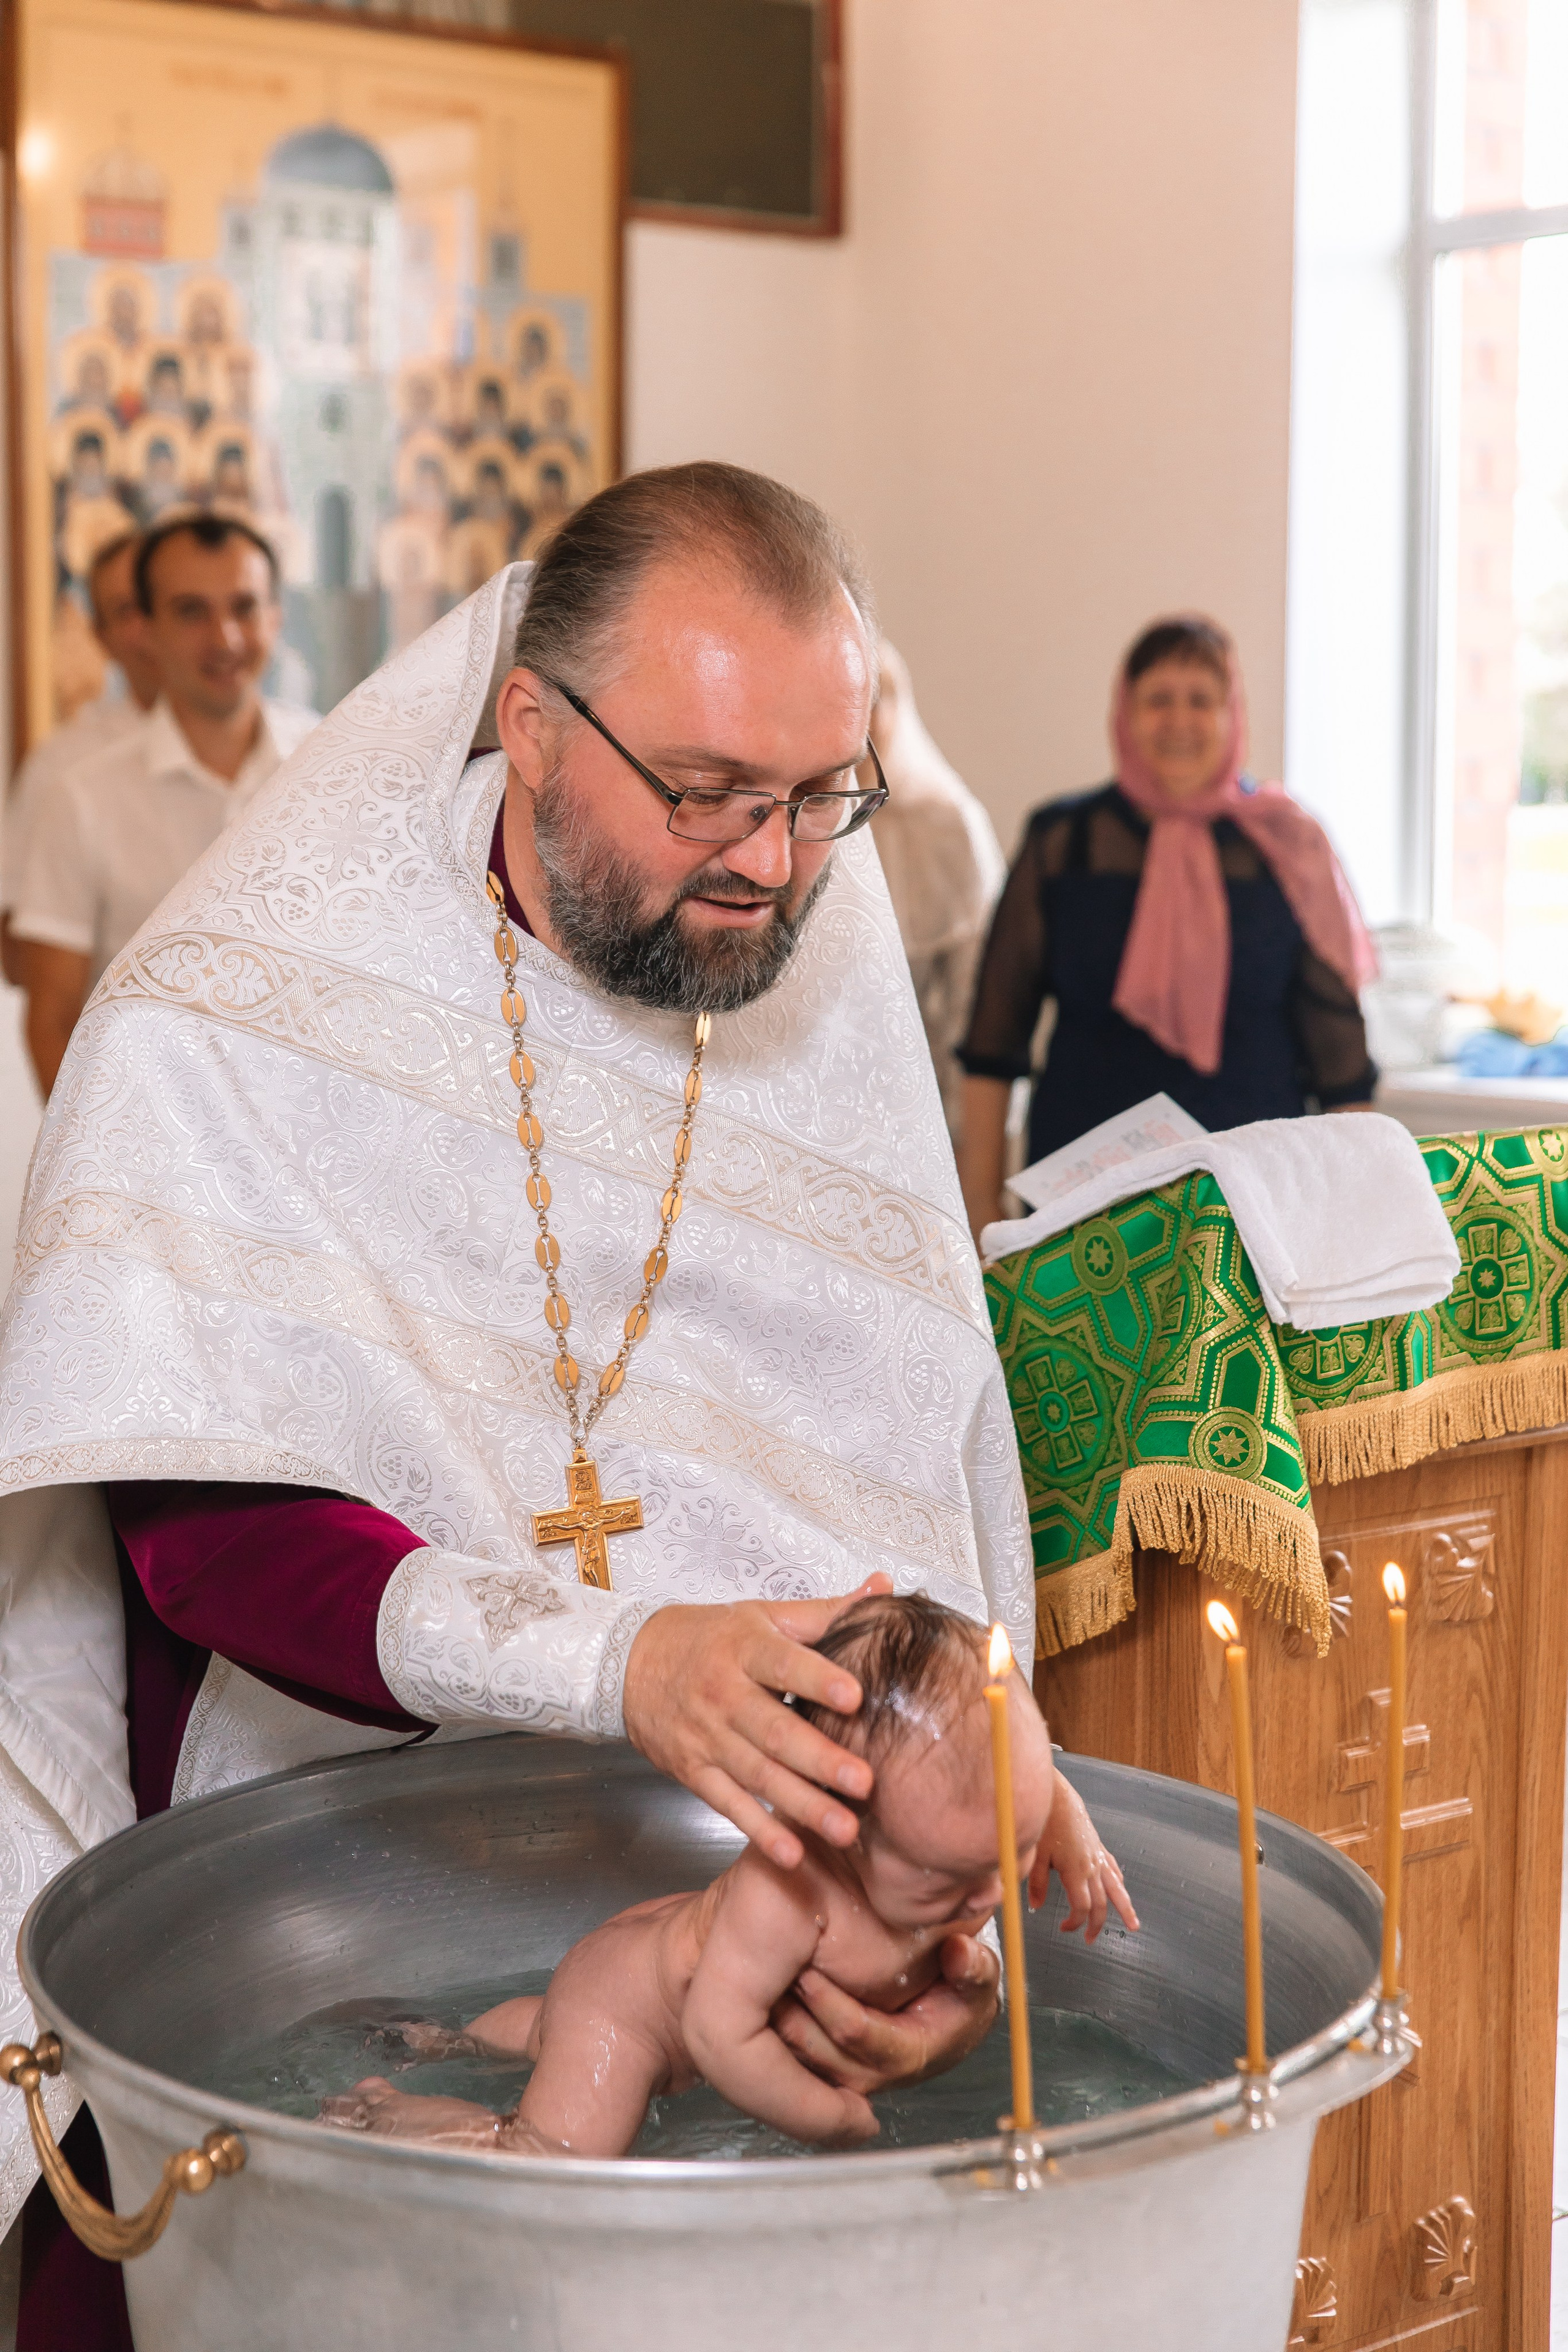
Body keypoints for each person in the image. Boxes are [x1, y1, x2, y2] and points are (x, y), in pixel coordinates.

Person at [0, 464, 1115, 2347]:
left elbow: (899, 1472)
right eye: (707, 791)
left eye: (820, 795)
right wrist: (618, 1657)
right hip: (327, 1870)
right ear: (530, 725)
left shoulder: (820, 961)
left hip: (732, 1889)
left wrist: (930, 1870)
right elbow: (208, 1532)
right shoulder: (234, 1008)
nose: (773, 862)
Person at [321, 1594, 1133, 2158]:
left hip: (638, 1959)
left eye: (1012, 1852)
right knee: (552, 2154)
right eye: (946, 1881)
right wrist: (827, 2117)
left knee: (545, 2034)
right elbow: (717, 2035)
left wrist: (1063, 1825)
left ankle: (452, 2039)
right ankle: (389, 2110)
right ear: (832, 1825)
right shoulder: (789, 1897)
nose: (990, 1896)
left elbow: (1017, 1778)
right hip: (628, 2017)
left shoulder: (951, 1833)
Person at [956, 615, 1378, 1240]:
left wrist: (1357, 1227)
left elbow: (1341, 1063)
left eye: (1201, 700)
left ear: (1233, 714)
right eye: (1158, 699)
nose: (1179, 720)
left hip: (1253, 1205)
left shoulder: (1288, 846)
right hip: (1082, 1207)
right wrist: (980, 1213)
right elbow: (993, 1044)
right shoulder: (1063, 842)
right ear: (1125, 713)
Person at [10, 510, 318, 1096]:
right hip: (147, 1128)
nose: (225, 638)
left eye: (245, 607)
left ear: (276, 617)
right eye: (191, 611)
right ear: (147, 629)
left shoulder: (334, 768)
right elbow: (51, 1018)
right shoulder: (80, 798)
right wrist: (98, 1147)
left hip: (312, 1125)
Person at [1, 532, 160, 986]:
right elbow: (17, 951)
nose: (151, 624)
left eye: (164, 602)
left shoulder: (291, 748)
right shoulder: (62, 768)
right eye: (127, 610)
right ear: (100, 636)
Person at [865, 644, 1005, 1142]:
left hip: (912, 1110)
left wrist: (968, 1143)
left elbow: (975, 1007)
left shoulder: (948, 824)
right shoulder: (777, 817)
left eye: (872, 699)